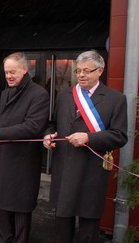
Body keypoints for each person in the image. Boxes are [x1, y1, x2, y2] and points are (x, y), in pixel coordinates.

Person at [43, 50, 128, 242]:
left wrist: (89, 138)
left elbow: (120, 136)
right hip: (64, 168)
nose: (81, 75)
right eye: (78, 70)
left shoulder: (115, 99)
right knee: (62, 226)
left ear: (100, 71)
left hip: (91, 172)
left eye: (87, 71)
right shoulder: (65, 95)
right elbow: (52, 124)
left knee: (88, 229)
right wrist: (48, 136)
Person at [0, 52, 49, 242]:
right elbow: (1, 121)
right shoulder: (6, 92)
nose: (9, 76)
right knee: (2, 203)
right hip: (4, 155)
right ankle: (5, 238)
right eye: (6, 73)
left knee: (20, 205)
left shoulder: (38, 93)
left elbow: (33, 126)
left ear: (25, 69)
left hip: (24, 158)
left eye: (13, 72)